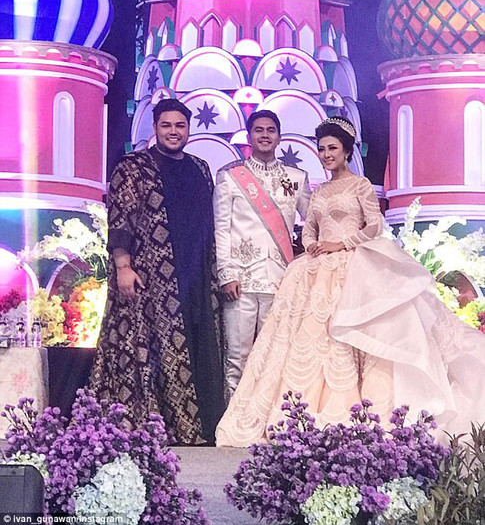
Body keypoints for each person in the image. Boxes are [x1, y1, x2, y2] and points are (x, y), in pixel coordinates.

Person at [216, 116, 485, 447]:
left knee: (353, 336)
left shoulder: (360, 185)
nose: (326, 154)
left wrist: (341, 244)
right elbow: (310, 226)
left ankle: (359, 409)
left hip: (353, 266)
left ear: (346, 151)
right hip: (316, 269)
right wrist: (312, 243)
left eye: (332, 148)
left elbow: (375, 226)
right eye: (321, 149)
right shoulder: (319, 190)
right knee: (313, 342)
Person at [91, 98, 225, 445]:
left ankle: (197, 429)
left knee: (196, 346)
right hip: (150, 277)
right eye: (166, 125)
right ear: (154, 128)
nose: (173, 132)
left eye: (180, 125)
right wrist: (123, 266)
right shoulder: (133, 166)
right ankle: (153, 425)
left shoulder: (200, 168)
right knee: (151, 348)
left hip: (195, 275)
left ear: (189, 129)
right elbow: (120, 218)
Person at [213, 110, 311, 396]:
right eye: (259, 130)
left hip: (281, 281)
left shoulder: (296, 178)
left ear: (279, 137)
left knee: (275, 357)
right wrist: (226, 274)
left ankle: (268, 417)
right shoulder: (230, 177)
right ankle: (233, 418)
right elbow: (221, 229)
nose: (265, 135)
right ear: (249, 135)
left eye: (270, 130)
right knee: (237, 358)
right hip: (240, 282)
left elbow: (314, 224)